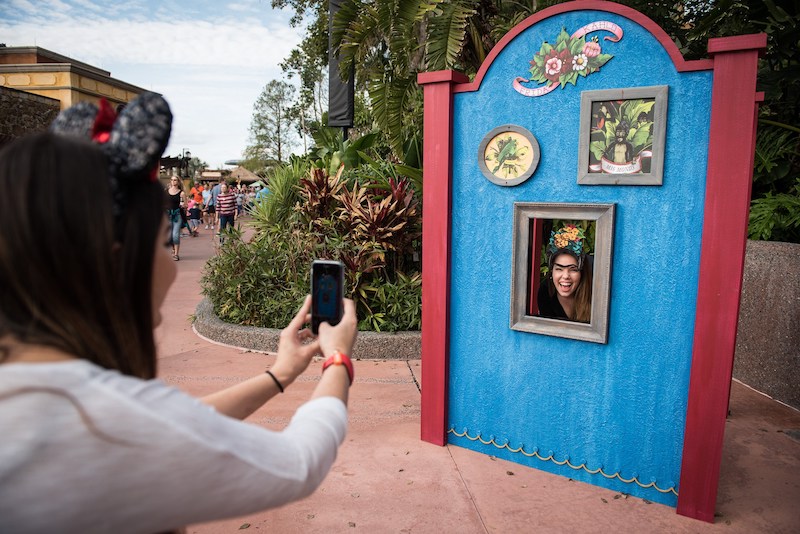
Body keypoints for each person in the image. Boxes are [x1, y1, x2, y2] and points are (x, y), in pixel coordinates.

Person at [0, 93, 358, 532]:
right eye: (157, 245)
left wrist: (279, 375)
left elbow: (172, 425)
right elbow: (299, 464)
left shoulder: (42, 398)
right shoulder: (108, 429)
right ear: (114, 264)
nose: (170, 264)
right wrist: (337, 358)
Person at [537, 224, 593, 323]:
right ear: (551, 271)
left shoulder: (594, 294)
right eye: (559, 269)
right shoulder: (545, 292)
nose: (566, 276)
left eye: (573, 269)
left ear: (582, 273)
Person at [166, 175, 187, 260]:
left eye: (175, 180)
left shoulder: (181, 193)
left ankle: (176, 254)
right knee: (169, 236)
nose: (173, 182)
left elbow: (185, 205)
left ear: (178, 182)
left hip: (177, 215)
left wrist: (183, 206)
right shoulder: (166, 191)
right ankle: (173, 248)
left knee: (175, 235)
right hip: (168, 215)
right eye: (172, 180)